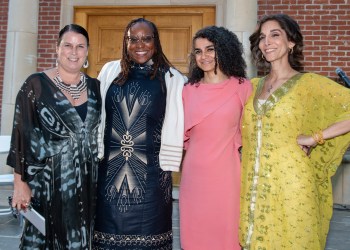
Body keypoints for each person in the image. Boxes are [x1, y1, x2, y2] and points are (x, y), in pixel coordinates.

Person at [239, 13, 350, 250]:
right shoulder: (252, 86)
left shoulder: (309, 84)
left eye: (275, 35)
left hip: (293, 188)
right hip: (254, 188)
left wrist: (315, 138)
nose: (266, 42)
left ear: (291, 42)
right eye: (262, 37)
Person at [92, 18, 186, 249]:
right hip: (108, 176)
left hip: (153, 177)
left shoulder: (172, 78)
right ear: (125, 42)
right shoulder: (109, 71)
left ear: (156, 42)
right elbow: (95, 113)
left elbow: (179, 122)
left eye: (146, 39)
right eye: (133, 39)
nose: (139, 44)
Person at [7, 24, 101, 249]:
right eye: (67, 45)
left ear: (87, 51)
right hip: (46, 183)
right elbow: (21, 135)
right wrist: (20, 185)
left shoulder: (96, 87)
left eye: (80, 46)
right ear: (56, 49)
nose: (74, 52)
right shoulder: (35, 85)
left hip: (87, 183)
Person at [179, 26, 252, 249]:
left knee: (226, 235)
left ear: (224, 49)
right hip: (193, 176)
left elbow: (253, 131)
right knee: (195, 236)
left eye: (210, 49)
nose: (204, 56)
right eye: (198, 51)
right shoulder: (188, 90)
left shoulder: (243, 87)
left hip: (227, 176)